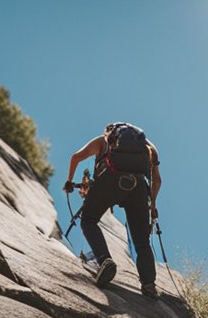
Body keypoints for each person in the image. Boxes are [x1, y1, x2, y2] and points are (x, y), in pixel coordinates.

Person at [63, 123, 162, 298]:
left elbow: (75, 157)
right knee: (141, 240)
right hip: (138, 187)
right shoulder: (148, 146)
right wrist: (152, 206)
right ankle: (149, 285)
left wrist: (69, 181)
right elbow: (157, 180)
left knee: (88, 220)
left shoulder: (103, 140)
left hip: (110, 180)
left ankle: (104, 261)